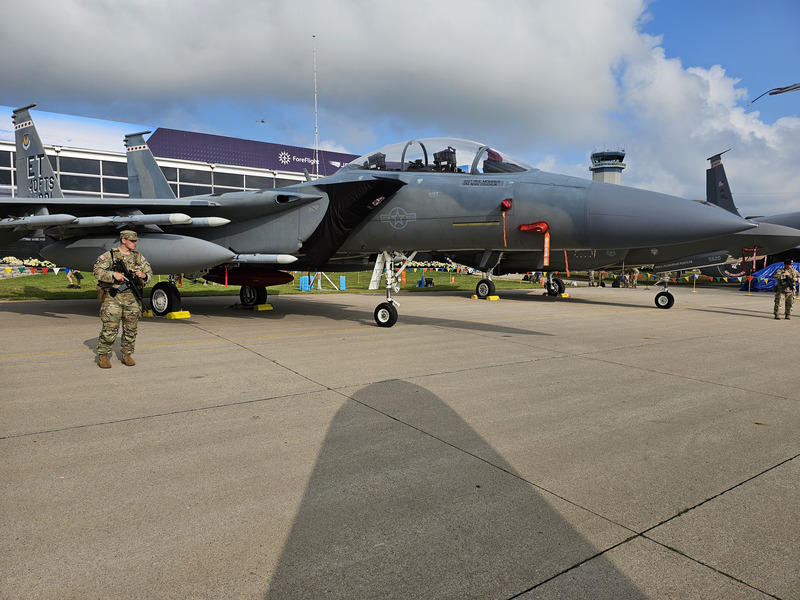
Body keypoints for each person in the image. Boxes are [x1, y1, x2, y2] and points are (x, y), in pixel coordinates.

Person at [93, 230, 152, 368]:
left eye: (136, 241)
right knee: (110, 328)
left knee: (131, 329)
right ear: (124, 240)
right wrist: (113, 275)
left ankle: (127, 354)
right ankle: (103, 355)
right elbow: (97, 271)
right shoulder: (110, 256)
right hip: (113, 297)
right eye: (132, 240)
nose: (135, 243)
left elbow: (149, 274)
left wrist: (143, 275)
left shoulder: (139, 258)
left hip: (132, 298)